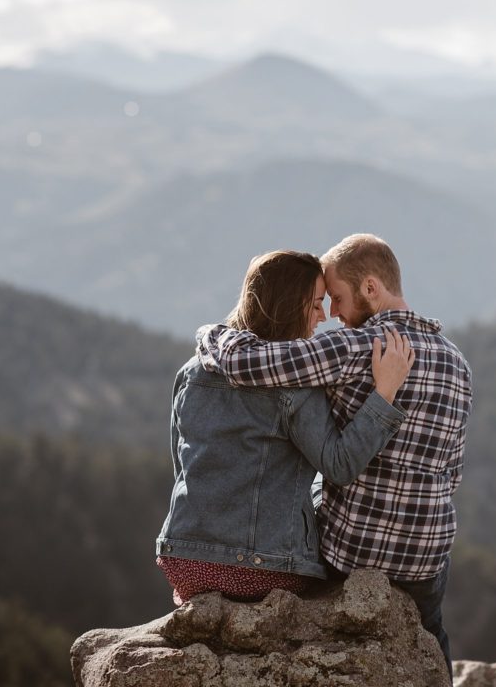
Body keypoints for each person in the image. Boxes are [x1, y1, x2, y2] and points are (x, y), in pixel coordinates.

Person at [196, 234, 472, 680]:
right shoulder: (459, 364)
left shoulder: (353, 347)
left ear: (370, 288)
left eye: (338, 298)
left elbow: (250, 366)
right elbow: (452, 473)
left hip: (351, 552)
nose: (334, 316)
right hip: (425, 554)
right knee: (433, 629)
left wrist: (212, 335)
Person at [156, 249, 414, 606]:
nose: (323, 316)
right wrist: (384, 393)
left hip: (182, 559)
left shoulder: (192, 372)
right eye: (315, 304)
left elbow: (181, 461)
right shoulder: (294, 385)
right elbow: (340, 466)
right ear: (287, 306)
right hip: (265, 569)